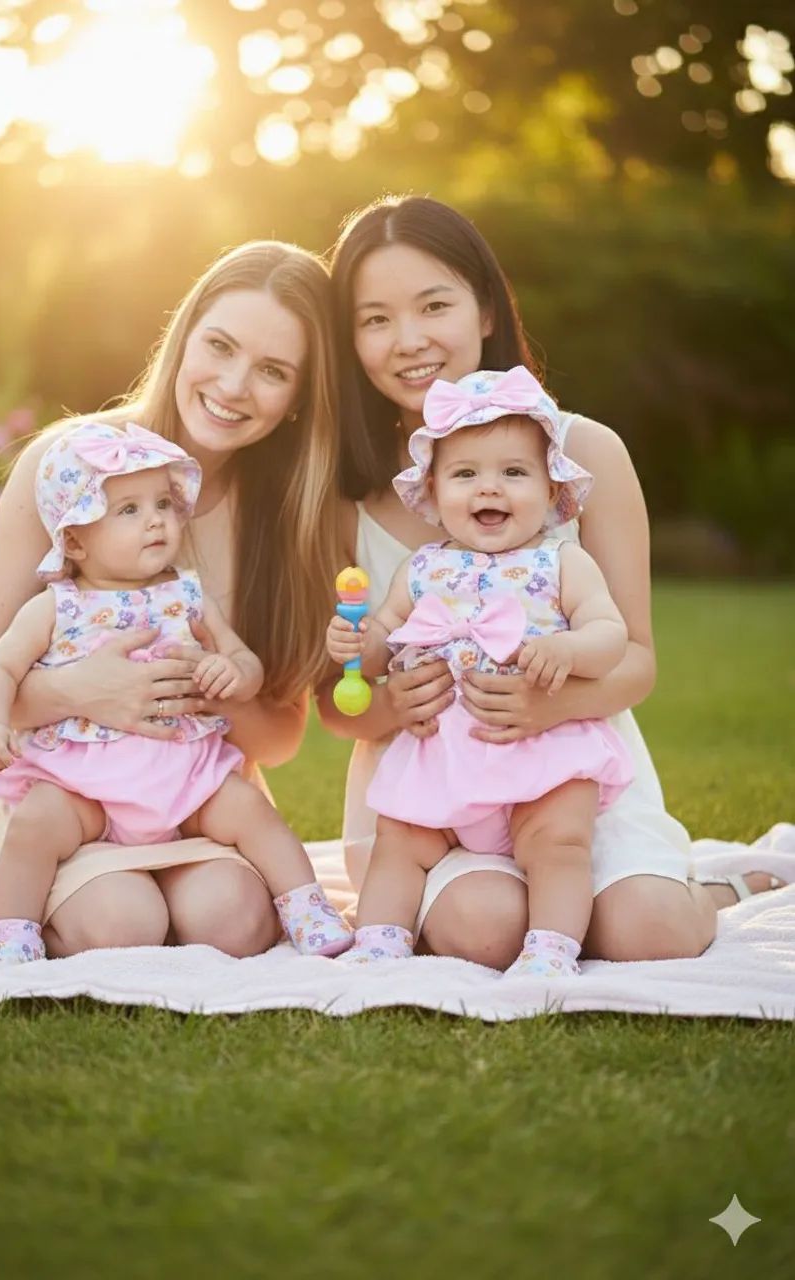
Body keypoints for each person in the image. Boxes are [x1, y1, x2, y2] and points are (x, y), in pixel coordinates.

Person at [319, 195, 784, 969]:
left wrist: (549, 703)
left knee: (649, 933)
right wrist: (389, 704)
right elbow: (335, 700)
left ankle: (716, 889)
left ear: (485, 308)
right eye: (375, 319)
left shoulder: (585, 453)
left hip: (568, 765)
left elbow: (635, 659)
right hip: (430, 786)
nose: (408, 339)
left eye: (434, 305)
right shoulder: (350, 488)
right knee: (487, 928)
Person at [0, 240, 343, 959]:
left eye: (273, 371)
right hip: (59, 789)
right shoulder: (69, 467)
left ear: (298, 401)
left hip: (185, 783)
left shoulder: (288, 516)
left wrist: (206, 687)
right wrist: (82, 690)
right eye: (219, 346)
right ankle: (23, 916)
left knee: (233, 919)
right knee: (121, 922)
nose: (234, 385)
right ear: (183, 337)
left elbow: (279, 737)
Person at [0, 421, 352, 963]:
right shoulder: (57, 607)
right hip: (86, 784)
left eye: (163, 504)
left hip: (185, 774)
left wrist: (231, 673)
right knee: (37, 821)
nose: (156, 520)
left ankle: (307, 908)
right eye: (128, 509)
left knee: (247, 807)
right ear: (75, 539)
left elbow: (244, 660)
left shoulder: (187, 595)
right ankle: (14, 931)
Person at [327, 367, 633, 972]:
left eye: (514, 473)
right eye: (465, 474)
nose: (488, 488)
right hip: (443, 752)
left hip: (543, 750)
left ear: (550, 489)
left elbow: (611, 634)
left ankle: (551, 951)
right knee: (399, 838)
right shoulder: (422, 569)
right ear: (435, 493)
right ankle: (378, 942)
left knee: (559, 844)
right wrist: (359, 642)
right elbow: (384, 640)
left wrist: (568, 651)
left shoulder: (560, 562)